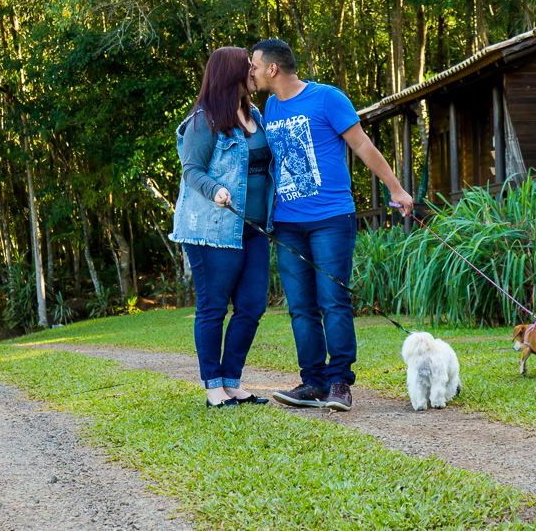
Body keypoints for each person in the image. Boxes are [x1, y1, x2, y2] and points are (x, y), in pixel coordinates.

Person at [249, 38, 413, 411]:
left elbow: (362, 145)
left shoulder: (328, 98)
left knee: (333, 301)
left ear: (272, 68)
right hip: (287, 223)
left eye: (254, 66)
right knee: (300, 307)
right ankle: (313, 384)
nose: (252, 72)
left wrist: (397, 189)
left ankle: (340, 383)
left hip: (330, 220)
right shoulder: (270, 107)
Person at [170, 47, 276, 408]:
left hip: (254, 229)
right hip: (212, 230)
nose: (254, 72)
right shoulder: (203, 120)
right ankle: (213, 386)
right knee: (213, 307)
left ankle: (232, 382)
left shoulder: (255, 116)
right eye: (248, 67)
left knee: (251, 307)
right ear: (230, 74)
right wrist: (216, 189)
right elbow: (192, 169)